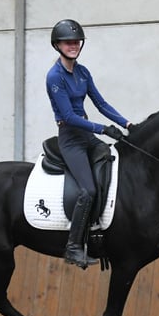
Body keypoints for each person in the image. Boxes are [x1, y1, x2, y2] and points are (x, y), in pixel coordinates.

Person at [46, 19, 133, 269]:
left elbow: (101, 104)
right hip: (71, 139)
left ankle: (105, 229)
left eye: (76, 42)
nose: (73, 46)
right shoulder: (55, 77)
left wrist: (127, 124)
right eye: (67, 42)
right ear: (58, 45)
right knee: (89, 190)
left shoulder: (83, 72)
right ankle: (73, 247)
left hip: (86, 136)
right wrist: (103, 129)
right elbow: (70, 117)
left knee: (112, 164)